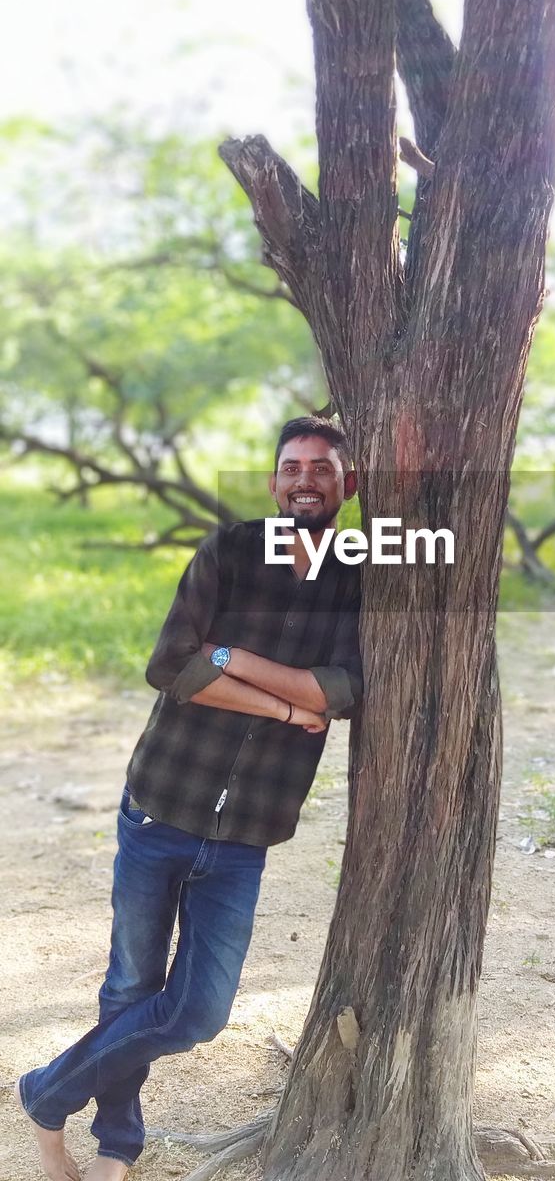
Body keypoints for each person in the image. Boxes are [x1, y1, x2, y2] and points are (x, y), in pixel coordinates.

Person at [16, 415, 362, 1181]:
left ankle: (45, 1093)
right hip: (161, 804)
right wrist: (278, 705)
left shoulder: (361, 577)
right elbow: (172, 664)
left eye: (322, 466)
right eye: (292, 465)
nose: (305, 477)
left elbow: (341, 689)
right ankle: (116, 1148)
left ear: (349, 482)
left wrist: (232, 657)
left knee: (198, 1012)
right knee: (132, 985)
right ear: (274, 481)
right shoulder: (230, 552)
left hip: (246, 831)